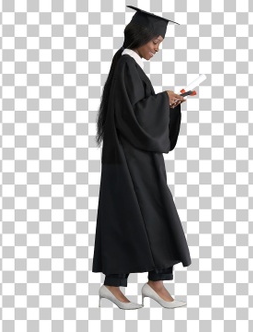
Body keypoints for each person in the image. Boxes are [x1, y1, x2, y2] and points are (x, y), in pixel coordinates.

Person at [92, 5, 191, 309]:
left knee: (143, 216)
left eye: (160, 43)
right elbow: (132, 117)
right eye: (155, 42)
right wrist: (163, 100)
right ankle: (121, 284)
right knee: (133, 217)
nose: (157, 49)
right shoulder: (126, 66)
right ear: (142, 36)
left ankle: (151, 282)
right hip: (131, 161)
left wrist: (166, 102)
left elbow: (137, 111)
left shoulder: (129, 67)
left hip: (137, 158)